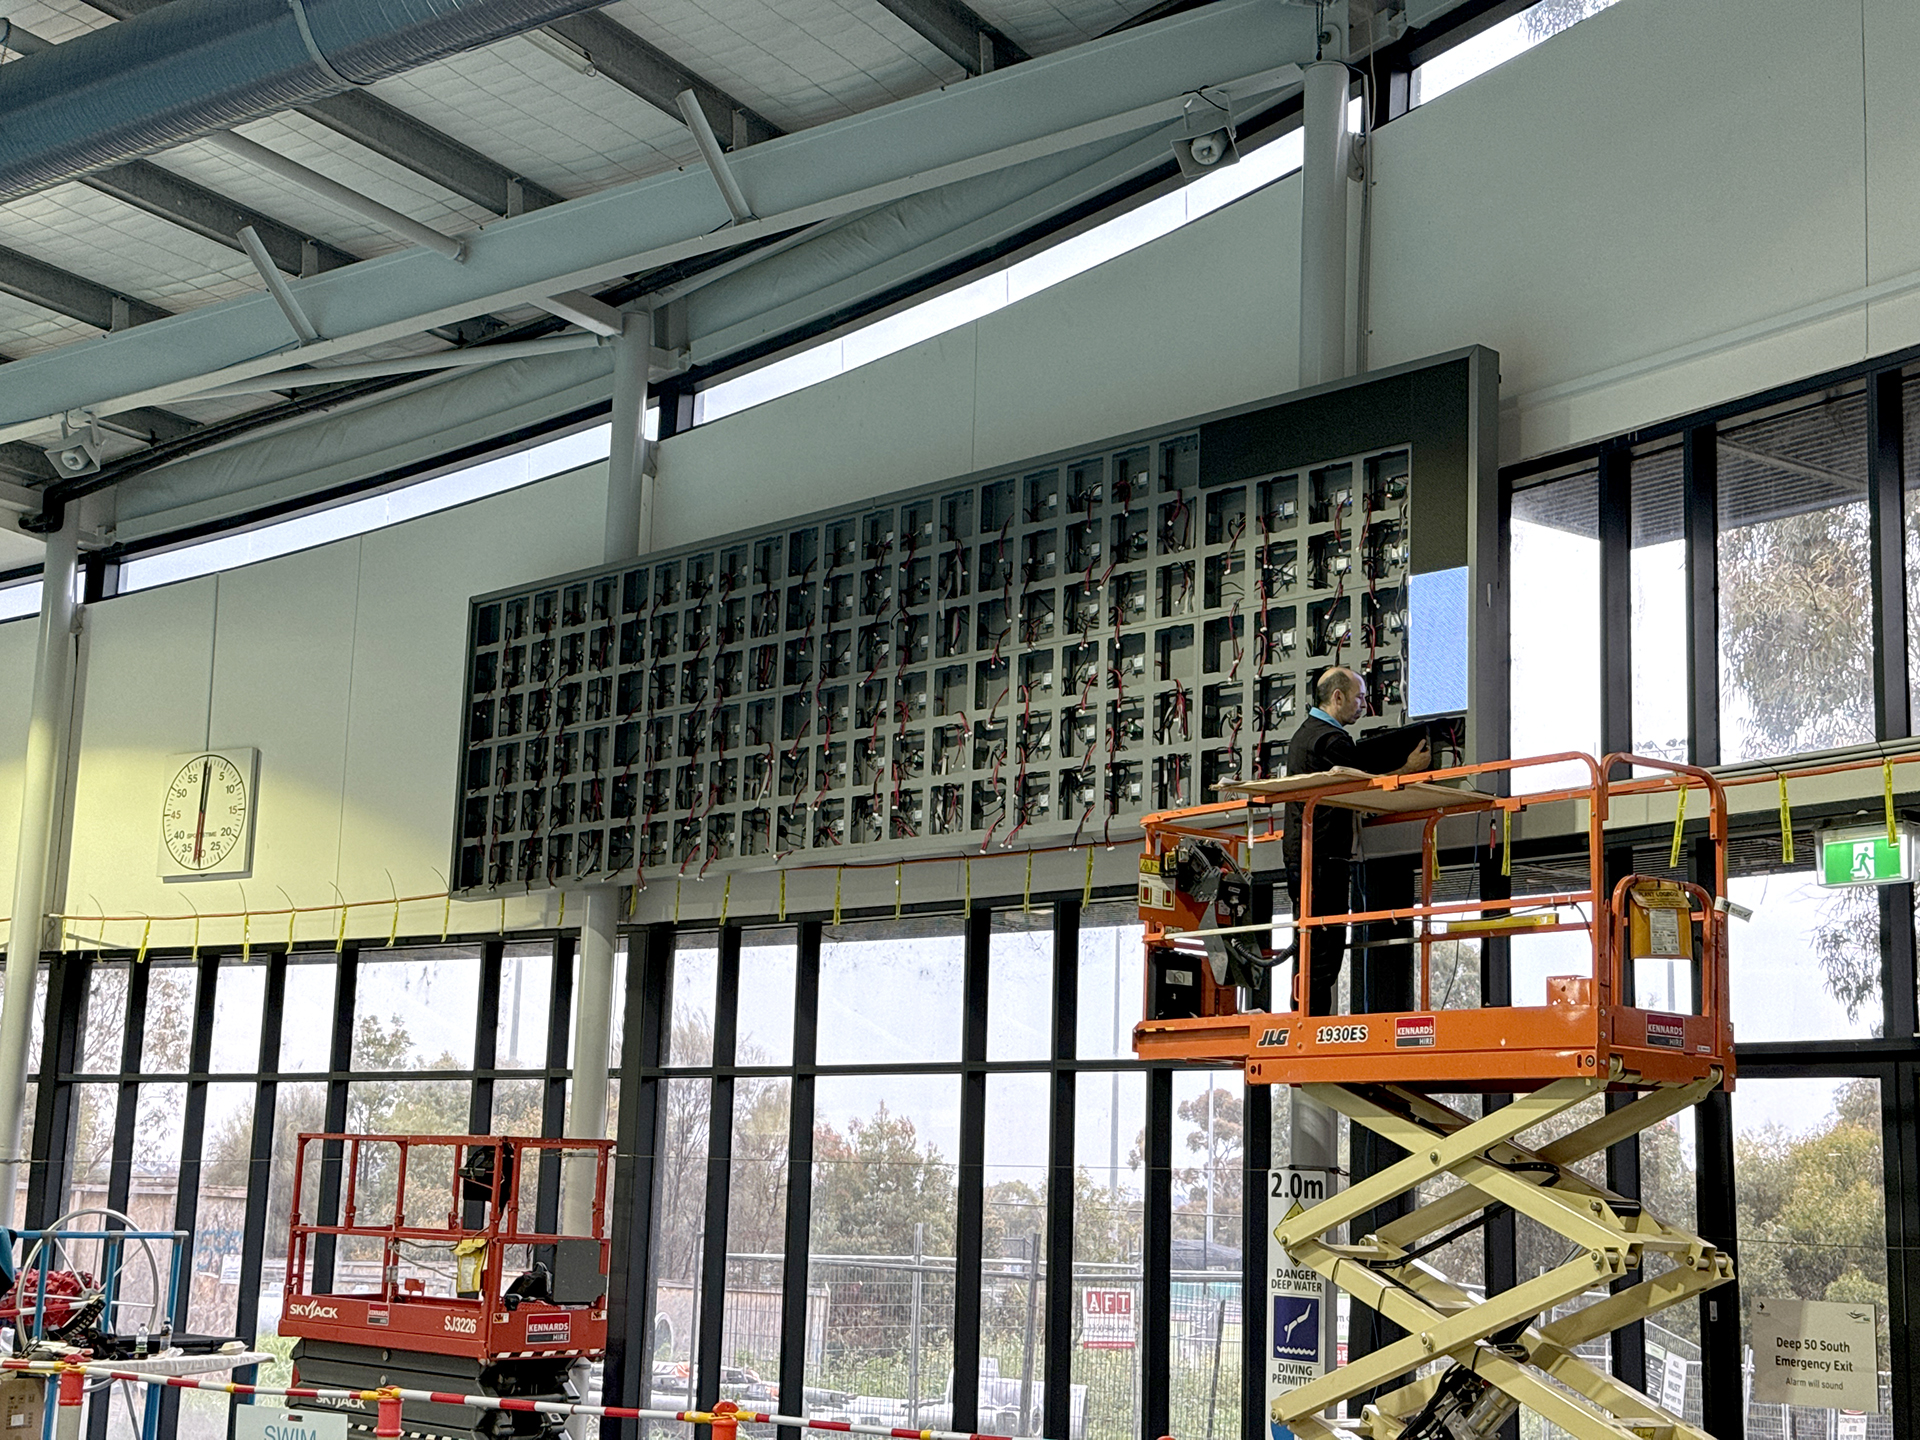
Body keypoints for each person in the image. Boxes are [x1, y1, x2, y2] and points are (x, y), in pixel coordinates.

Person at [1283, 666, 1430, 1016]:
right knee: (1324, 951)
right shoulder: (1331, 741)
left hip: (1307, 857)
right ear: (1337, 697)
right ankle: (1310, 1024)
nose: (1363, 704)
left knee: (1313, 945)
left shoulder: (1305, 736)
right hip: (1322, 860)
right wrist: (1407, 769)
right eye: (1359, 697)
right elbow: (1362, 790)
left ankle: (1306, 1018)